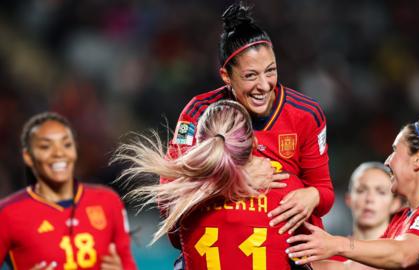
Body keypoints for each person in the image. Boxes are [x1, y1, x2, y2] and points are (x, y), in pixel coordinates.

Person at [168, 2, 333, 240]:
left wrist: (313, 196)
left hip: (287, 248)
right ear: (226, 76)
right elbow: (169, 198)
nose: (264, 85)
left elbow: (325, 191)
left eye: (271, 71)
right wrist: (234, 181)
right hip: (217, 244)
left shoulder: (306, 114)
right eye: (250, 76)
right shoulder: (198, 114)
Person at [115, 100, 306, 269]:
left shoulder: (182, 196)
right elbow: (314, 251)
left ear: (202, 147)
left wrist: (219, 189)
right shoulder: (287, 187)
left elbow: (176, 241)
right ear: (254, 144)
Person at [286, 115, 419, 270]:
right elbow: (352, 268)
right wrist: (288, 260)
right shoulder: (402, 219)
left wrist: (337, 244)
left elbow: (403, 255)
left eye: (395, 150)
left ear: (418, 160)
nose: (387, 161)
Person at [0, 112, 137, 270]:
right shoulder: (7, 214)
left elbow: (128, 265)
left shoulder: (108, 201)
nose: (59, 153)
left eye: (66, 144)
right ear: (28, 156)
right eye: (46, 146)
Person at [313, 162, 402, 270]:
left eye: (381, 192)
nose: (369, 199)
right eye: (361, 191)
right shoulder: (326, 255)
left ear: (395, 204)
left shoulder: (405, 257)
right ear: (349, 199)